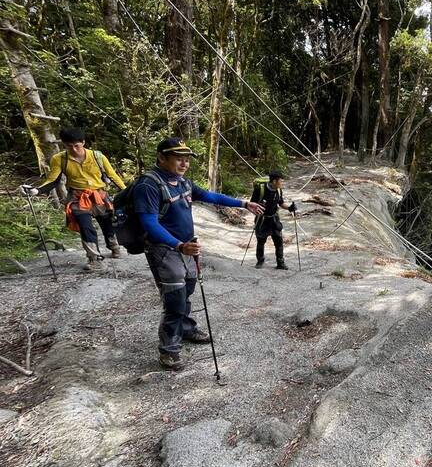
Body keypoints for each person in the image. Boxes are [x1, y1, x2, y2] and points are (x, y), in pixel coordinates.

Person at [133, 137, 264, 371]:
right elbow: (148, 223)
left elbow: (210, 196)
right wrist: (179, 246)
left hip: (187, 247)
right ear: (162, 157)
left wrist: (243, 203)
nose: (184, 163)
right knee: (174, 298)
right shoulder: (148, 186)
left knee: (188, 289)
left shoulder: (182, 182)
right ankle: (169, 349)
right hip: (165, 249)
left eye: (186, 159)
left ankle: (185, 327)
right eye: (178, 159)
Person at [18, 127, 127, 271]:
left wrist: (126, 192)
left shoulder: (97, 156)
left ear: (83, 142)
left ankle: (114, 246)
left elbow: (112, 176)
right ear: (64, 145)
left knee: (107, 223)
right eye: (69, 146)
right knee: (85, 226)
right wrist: (36, 190)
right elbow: (53, 180)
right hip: (77, 197)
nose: (74, 149)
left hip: (99, 195)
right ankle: (94, 258)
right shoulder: (59, 159)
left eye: (77, 145)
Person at [250, 171, 297, 270]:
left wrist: (290, 208)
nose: (282, 183)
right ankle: (260, 261)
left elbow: (281, 203)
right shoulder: (260, 190)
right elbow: (251, 205)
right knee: (261, 241)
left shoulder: (279, 190)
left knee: (279, 241)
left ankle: (280, 263)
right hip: (262, 219)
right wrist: (258, 210)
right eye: (281, 181)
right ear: (274, 181)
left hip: (274, 219)